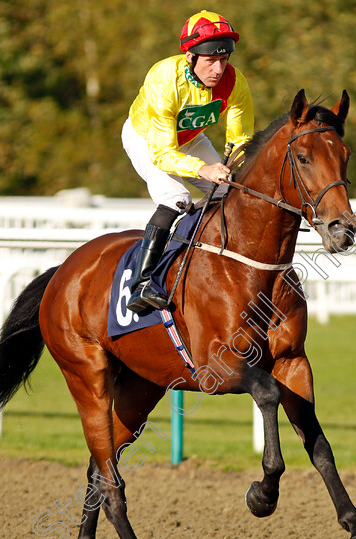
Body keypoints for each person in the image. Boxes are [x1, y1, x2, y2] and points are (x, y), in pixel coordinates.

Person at [122, 10, 254, 313]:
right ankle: (142, 285)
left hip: (190, 140)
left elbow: (241, 142)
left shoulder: (235, 82)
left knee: (230, 194)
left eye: (224, 60)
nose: (219, 69)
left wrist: (232, 169)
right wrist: (204, 169)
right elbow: (162, 153)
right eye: (210, 61)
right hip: (148, 139)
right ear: (190, 56)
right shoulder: (163, 78)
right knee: (176, 198)